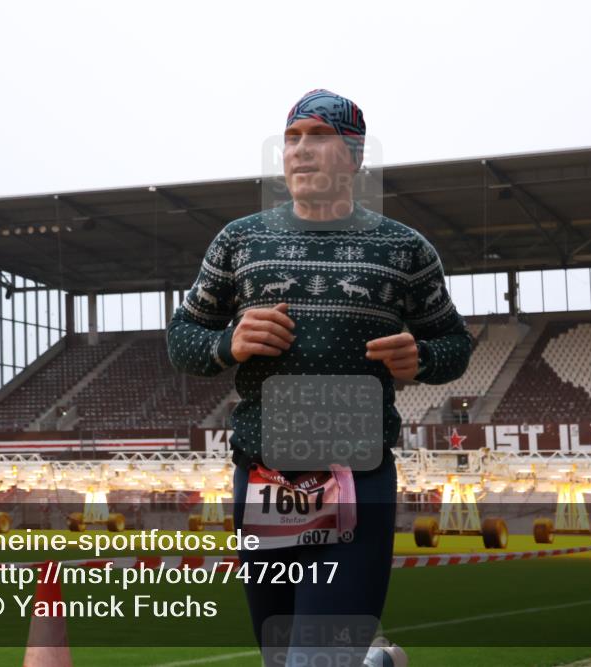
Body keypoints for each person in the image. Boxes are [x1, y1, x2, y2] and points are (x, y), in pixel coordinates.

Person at [167, 89, 474, 664]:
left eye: (319, 137)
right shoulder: (239, 242)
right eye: (292, 138)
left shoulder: (404, 249)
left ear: (355, 157)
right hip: (262, 480)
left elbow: (455, 344)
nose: (301, 151)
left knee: (316, 660)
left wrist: (422, 359)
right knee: (280, 656)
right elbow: (181, 338)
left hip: (356, 476)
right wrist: (225, 344)